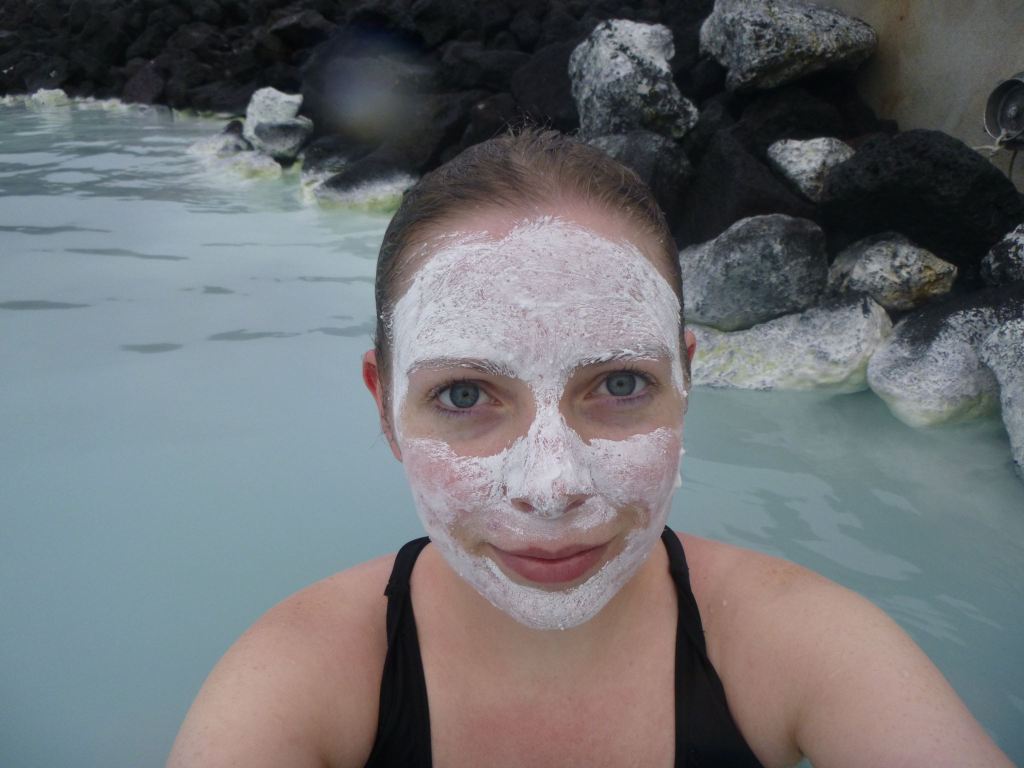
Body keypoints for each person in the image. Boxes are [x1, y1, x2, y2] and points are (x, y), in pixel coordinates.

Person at [167, 129, 1012, 768]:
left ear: (687, 380)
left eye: (617, 385)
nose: (553, 485)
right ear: (385, 409)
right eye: (464, 395)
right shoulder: (298, 682)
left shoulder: (806, 648)